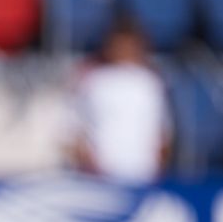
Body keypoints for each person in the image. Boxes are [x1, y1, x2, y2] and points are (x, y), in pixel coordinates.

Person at [65, 17, 171, 184]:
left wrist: (156, 171)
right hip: (100, 180)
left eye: (130, 45)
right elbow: (72, 129)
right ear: (109, 46)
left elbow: (163, 135)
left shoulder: (151, 83)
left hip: (143, 178)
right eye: (120, 45)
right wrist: (90, 167)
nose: (125, 51)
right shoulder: (92, 80)